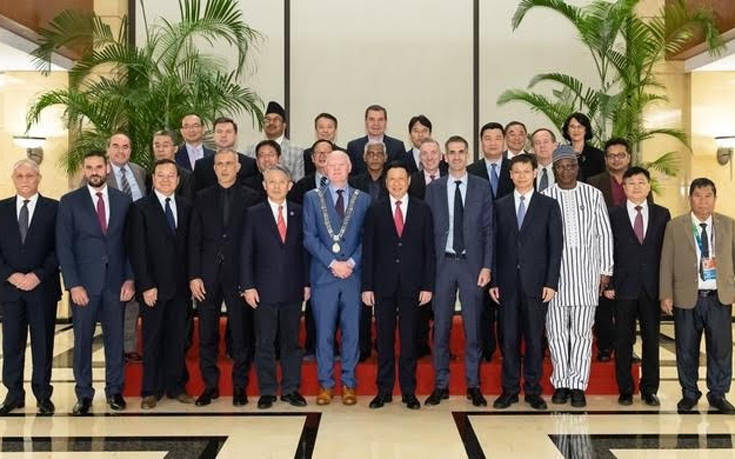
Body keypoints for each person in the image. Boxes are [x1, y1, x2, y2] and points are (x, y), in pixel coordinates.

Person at [57, 150, 135, 415]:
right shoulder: (69, 202)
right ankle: (84, 394)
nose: (94, 172)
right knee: (82, 341)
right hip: (84, 287)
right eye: (89, 167)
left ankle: (114, 391)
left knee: (115, 341)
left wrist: (130, 279)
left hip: (116, 284)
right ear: (83, 170)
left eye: (99, 167)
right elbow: (64, 247)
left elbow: (130, 244)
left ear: (107, 169)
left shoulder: (123, 201)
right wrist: (73, 284)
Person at [424, 135, 493, 407]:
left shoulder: (481, 186)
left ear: (468, 155)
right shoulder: (434, 189)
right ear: (445, 157)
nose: (456, 156)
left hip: (472, 265)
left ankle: (473, 385)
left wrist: (487, 265)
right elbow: (427, 232)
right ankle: (440, 384)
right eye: (451, 152)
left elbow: (489, 229)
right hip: (443, 265)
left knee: (473, 328)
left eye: (461, 152)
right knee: (440, 328)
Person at [541, 145, 613, 408]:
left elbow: (604, 233)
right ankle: (561, 382)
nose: (566, 171)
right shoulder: (545, 197)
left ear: (577, 167)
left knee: (582, 334)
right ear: (554, 170)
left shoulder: (593, 195)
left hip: (586, 276)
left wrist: (606, 270)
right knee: (557, 332)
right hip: (555, 279)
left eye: (570, 166)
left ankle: (578, 384)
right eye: (560, 167)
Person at [188, 148, 261, 407]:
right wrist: (194, 275)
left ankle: (240, 386)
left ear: (238, 167)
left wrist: (251, 278)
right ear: (214, 168)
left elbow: (255, 242)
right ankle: (210, 386)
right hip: (207, 276)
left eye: (229, 163)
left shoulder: (252, 197)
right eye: (220, 164)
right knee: (207, 333)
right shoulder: (201, 197)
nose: (225, 168)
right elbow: (194, 239)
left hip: (239, 274)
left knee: (240, 333)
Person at [490, 154, 563, 411]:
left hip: (537, 284)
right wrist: (494, 281)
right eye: (516, 172)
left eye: (526, 171)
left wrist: (551, 282)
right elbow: (493, 246)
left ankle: (533, 390)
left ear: (534, 173)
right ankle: (509, 390)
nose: (521, 176)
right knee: (508, 339)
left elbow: (555, 247)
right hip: (507, 284)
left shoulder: (549, 205)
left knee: (534, 339)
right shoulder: (500, 205)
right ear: (510, 175)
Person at [362, 161, 435, 410]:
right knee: (383, 340)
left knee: (409, 340)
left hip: (413, 285)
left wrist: (428, 285)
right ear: (386, 182)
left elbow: (429, 251)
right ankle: (383, 391)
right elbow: (368, 250)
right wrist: (367, 286)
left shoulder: (423, 209)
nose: (396, 183)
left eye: (401, 179)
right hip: (383, 285)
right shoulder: (375, 210)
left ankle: (408, 392)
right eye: (391, 179)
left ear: (409, 181)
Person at [659, 178, 735, 413]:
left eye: (708, 196)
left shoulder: (729, 225)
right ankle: (689, 393)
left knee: (721, 349)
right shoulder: (675, 226)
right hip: (686, 297)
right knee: (686, 349)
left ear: (715, 198)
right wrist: (665, 294)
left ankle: (718, 393)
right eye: (698, 196)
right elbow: (666, 262)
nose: (703, 201)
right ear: (690, 198)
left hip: (719, 297)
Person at [303, 150, 371, 406]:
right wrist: (333, 263)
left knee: (352, 332)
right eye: (331, 164)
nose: (336, 168)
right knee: (324, 333)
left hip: (353, 275)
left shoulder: (363, 199)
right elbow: (309, 237)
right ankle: (325, 385)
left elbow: (368, 238)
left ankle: (349, 384)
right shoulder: (312, 198)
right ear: (324, 168)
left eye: (341, 164)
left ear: (350, 167)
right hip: (324, 275)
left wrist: (351, 263)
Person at [240, 165, 309, 409]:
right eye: (272, 182)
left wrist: (307, 283)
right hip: (263, 290)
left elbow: (305, 252)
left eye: (282, 182)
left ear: (290, 185)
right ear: (264, 185)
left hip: (293, 288)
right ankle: (267, 391)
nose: (277, 186)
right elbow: (245, 253)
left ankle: (291, 389)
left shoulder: (300, 212)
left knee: (291, 342)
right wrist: (248, 286)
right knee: (265, 342)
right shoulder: (253, 214)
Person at [128, 159, 194, 409]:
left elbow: (190, 247)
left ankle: (177, 386)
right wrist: (146, 285)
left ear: (178, 180)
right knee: (153, 339)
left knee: (178, 339)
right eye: (161, 175)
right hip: (153, 288)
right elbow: (137, 250)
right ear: (153, 179)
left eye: (171, 176)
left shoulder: (187, 206)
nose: (166, 180)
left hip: (180, 287)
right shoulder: (140, 208)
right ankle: (151, 390)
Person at [604, 166, 670, 406]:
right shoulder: (613, 214)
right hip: (623, 287)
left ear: (649, 186)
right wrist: (609, 282)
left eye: (641, 182)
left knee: (652, 340)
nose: (636, 187)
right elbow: (608, 249)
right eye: (631, 183)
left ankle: (649, 389)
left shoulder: (662, 214)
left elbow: (667, 253)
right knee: (623, 340)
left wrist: (666, 289)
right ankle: (625, 388)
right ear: (624, 188)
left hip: (652, 287)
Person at [0, 160, 60, 415]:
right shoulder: (1, 209)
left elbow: (60, 248)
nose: (25, 180)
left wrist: (38, 275)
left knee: (43, 344)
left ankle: (43, 395)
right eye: (20, 176)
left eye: (30, 175)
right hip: (10, 290)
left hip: (42, 288)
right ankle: (14, 394)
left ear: (39, 178)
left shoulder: (55, 209)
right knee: (11, 344)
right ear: (13, 179)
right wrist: (10, 275)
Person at [589, 138, 652, 363]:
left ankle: (627, 347)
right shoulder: (594, 182)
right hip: (603, 250)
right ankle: (605, 346)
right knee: (604, 303)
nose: (616, 159)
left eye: (620, 155)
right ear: (606, 159)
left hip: (631, 254)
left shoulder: (639, 182)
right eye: (611, 156)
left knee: (629, 305)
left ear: (628, 157)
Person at [94, 133, 147, 364]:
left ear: (130, 150)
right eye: (115, 146)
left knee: (133, 297)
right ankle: (113, 348)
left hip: (137, 243)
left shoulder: (139, 171)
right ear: (108, 149)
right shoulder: (98, 173)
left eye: (125, 146)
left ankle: (128, 346)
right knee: (114, 300)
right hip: (111, 247)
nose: (120, 151)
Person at [468, 122, 512, 362]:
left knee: (506, 300)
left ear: (504, 142)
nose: (493, 142)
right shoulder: (471, 171)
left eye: (497, 137)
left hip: (509, 242)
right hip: (479, 242)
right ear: (481, 142)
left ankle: (508, 348)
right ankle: (486, 349)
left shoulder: (516, 169)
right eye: (488, 138)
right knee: (482, 299)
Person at [407, 137, 448, 359]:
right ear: (419, 158)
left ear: (441, 156)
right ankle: (420, 344)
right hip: (418, 250)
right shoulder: (410, 181)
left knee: (443, 300)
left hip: (446, 249)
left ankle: (441, 345)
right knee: (420, 298)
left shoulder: (451, 178)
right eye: (424, 154)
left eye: (434, 153)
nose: (429, 157)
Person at [193, 117, 258, 192]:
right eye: (219, 132)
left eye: (228, 131)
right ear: (214, 135)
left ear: (236, 135)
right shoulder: (201, 165)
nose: (223, 135)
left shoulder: (250, 164)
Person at [244, 101, 305, 181]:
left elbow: (299, 182)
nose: (271, 123)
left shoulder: (296, 151)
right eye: (268, 120)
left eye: (276, 120)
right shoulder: (250, 150)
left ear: (284, 125)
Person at [346, 104, 406, 175]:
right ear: (366, 122)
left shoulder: (397, 147)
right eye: (372, 119)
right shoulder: (353, 147)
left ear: (386, 122)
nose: (376, 123)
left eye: (380, 120)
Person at [149, 130, 194, 200]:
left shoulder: (187, 176)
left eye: (165, 146)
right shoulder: (147, 175)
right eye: (157, 146)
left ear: (175, 149)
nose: (160, 150)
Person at [561, 112, 605, 181]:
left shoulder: (598, 155)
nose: (576, 130)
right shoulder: (561, 154)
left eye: (580, 127)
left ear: (586, 130)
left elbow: (602, 180)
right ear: (567, 131)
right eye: (572, 127)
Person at [290, 139, 332, 206]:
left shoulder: (343, 182)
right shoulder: (302, 185)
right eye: (318, 152)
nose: (322, 155)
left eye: (326, 152)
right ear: (312, 158)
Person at [530, 128, 557, 192]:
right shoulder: (528, 172)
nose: (542, 146)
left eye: (546, 142)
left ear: (555, 145)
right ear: (533, 149)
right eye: (537, 143)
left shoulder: (565, 171)